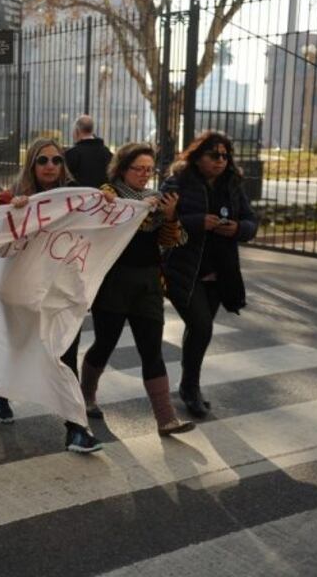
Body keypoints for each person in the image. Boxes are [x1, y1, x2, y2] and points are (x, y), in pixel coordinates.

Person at [0, 138, 106, 453]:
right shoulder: (13, 198)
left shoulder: (79, 200)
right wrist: (8, 213)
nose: (51, 166)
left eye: (56, 160)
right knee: (17, 348)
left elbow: (104, 226)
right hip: (21, 292)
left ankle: (76, 429)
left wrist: (116, 204)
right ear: (32, 165)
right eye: (43, 160)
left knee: (64, 355)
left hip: (62, 293)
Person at [79, 143, 195, 436]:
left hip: (148, 285)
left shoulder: (156, 201)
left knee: (152, 350)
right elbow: (97, 224)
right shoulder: (110, 195)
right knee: (105, 343)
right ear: (122, 169)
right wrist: (109, 203)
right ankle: (86, 395)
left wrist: (169, 216)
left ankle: (166, 418)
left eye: (149, 169)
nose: (144, 175)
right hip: (113, 283)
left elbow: (171, 241)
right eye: (138, 169)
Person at [161, 131, 258, 418]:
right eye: (213, 155)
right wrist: (196, 222)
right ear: (197, 156)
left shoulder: (232, 184)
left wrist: (239, 229)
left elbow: (251, 220)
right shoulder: (178, 182)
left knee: (199, 330)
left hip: (220, 271)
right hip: (184, 270)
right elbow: (159, 220)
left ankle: (189, 385)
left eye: (225, 156)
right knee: (202, 326)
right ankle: (190, 388)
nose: (220, 161)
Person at [65, 115, 112, 189]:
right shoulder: (107, 152)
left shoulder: (71, 154)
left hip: (80, 197)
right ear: (92, 130)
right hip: (103, 197)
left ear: (77, 130)